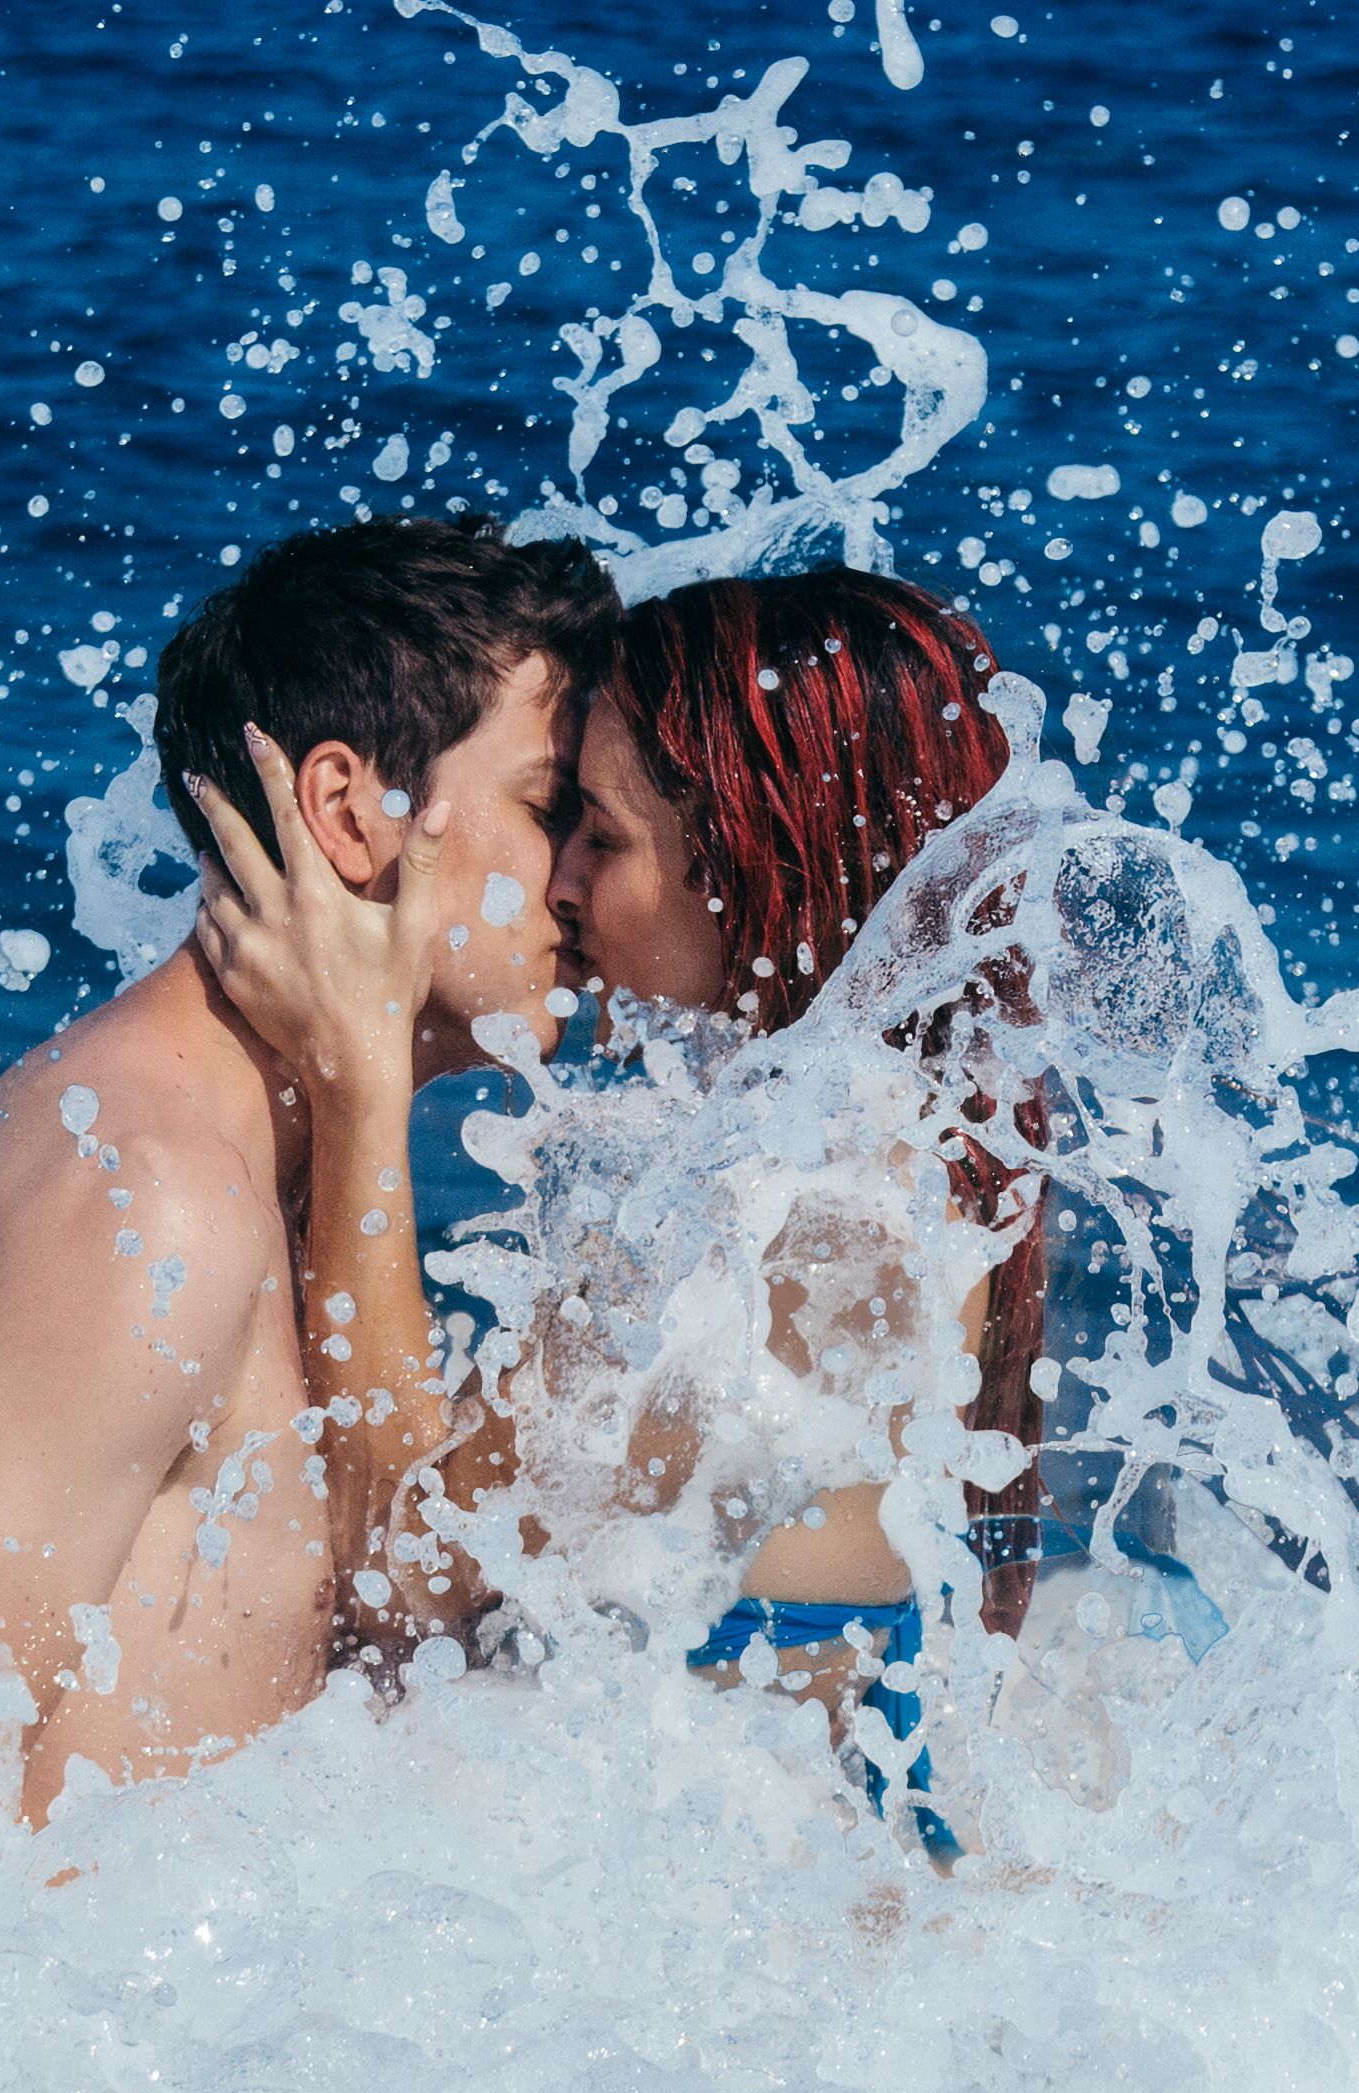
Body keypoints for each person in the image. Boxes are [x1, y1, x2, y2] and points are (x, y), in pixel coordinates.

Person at [187, 566, 1043, 1863]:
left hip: (760, 1950)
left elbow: (399, 1573)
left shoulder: (795, 1213)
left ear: (754, 854)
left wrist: (359, 1086)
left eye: (600, 832)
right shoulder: (892, 1128)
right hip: (811, 1856)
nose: (564, 885)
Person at [0, 515, 616, 1822]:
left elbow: (397, 1567)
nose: (587, 874)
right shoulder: (155, 1202)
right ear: (349, 811)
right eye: (549, 805)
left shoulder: (268, 1174)